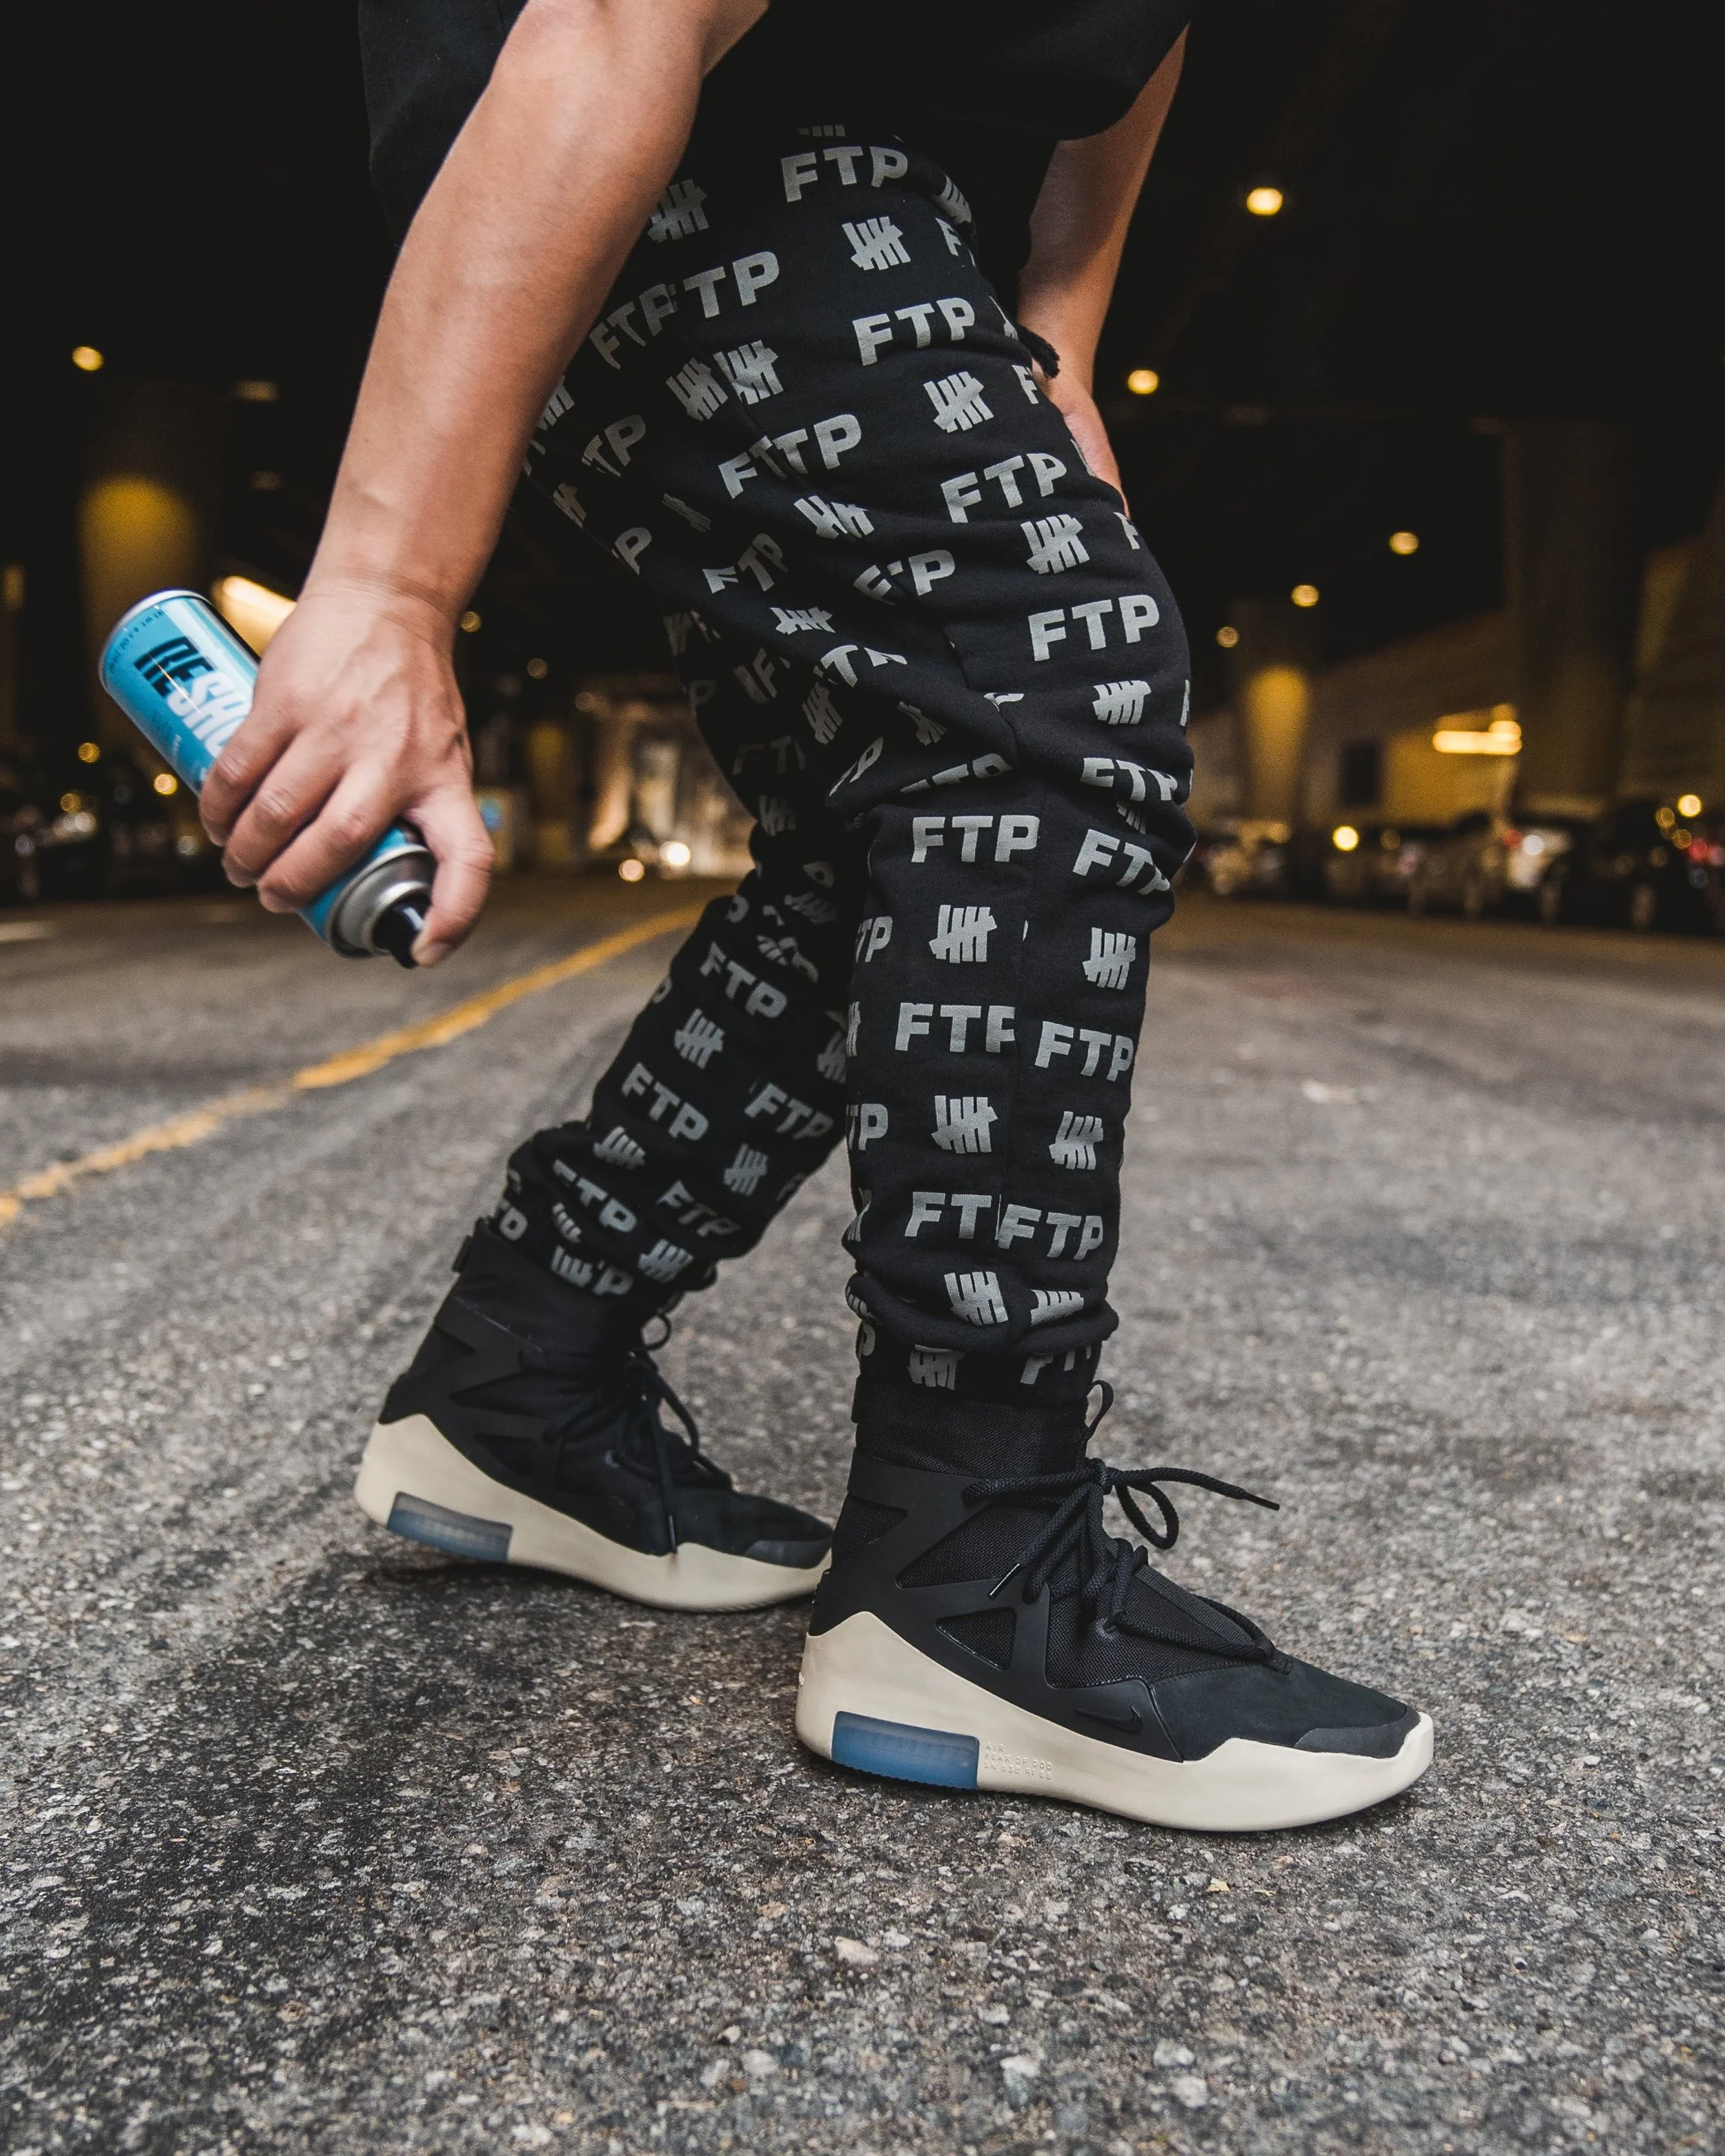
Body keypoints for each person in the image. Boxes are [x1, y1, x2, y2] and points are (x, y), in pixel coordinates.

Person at [201, 0, 1432, 1829]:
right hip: (695, 145)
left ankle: (518, 1378)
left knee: (883, 820)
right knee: (1052, 697)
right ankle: (967, 1573)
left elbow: (1129, 35)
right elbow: (615, 16)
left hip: (842, 176)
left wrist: (1059, 339)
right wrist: (386, 583)